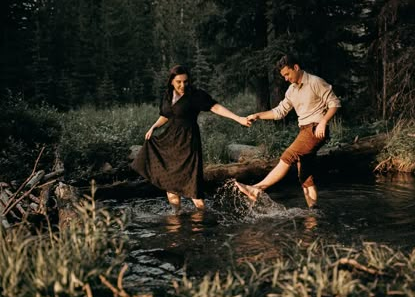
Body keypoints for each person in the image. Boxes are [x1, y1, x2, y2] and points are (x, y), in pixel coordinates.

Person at [132, 65, 251, 210]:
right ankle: (177, 220)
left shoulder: (195, 95)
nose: (183, 85)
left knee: (195, 192)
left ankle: (203, 223)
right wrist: (153, 127)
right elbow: (165, 115)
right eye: (179, 82)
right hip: (170, 141)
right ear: (171, 82)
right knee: (171, 187)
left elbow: (215, 107)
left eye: (186, 81)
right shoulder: (167, 95)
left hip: (188, 142)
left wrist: (238, 118)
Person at [235, 54, 341, 208]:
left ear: (296, 68)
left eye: (287, 74)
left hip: (315, 129)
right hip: (304, 130)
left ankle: (257, 189)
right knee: (305, 175)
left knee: (288, 156)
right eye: (283, 75)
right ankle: (314, 214)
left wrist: (323, 122)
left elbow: (335, 103)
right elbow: (279, 112)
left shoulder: (315, 82)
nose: (285, 78)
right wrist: (258, 115)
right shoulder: (291, 90)